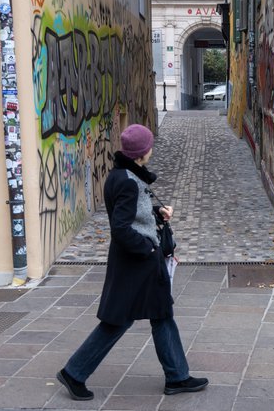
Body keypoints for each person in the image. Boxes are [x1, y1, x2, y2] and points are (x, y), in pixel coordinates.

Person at [56, 124, 208, 401]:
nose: (151, 149)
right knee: (119, 321)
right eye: (149, 146)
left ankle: (177, 376)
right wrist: (149, 250)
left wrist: (155, 212)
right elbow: (121, 227)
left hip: (134, 262)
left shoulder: (122, 175)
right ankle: (74, 372)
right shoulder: (127, 180)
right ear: (143, 152)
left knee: (161, 314)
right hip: (138, 263)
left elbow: (130, 213)